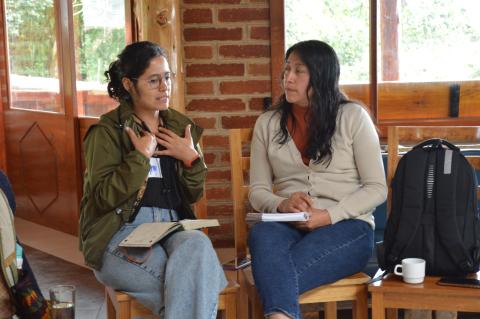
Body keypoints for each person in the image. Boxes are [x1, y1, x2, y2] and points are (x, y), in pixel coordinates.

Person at [79, 41, 227, 319]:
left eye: (168, 78)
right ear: (128, 84)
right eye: (154, 80)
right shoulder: (107, 132)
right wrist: (139, 159)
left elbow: (193, 195)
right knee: (196, 285)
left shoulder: (180, 128)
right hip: (120, 232)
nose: (165, 87)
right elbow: (101, 198)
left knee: (197, 245)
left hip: (172, 226)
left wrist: (191, 159)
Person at [247, 40, 388, 319]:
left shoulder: (353, 117)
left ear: (321, 76)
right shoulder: (267, 123)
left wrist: (328, 215)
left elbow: (377, 188)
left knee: (272, 273)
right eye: (286, 69)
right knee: (262, 234)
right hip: (286, 225)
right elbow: (258, 190)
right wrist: (282, 203)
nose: (288, 78)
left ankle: (261, 275)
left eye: (299, 71)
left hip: (348, 227)